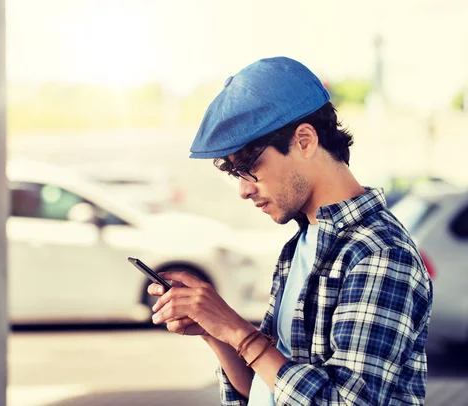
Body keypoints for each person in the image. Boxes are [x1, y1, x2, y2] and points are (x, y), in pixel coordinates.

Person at [147, 57, 433, 405]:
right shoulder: (301, 245)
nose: (243, 189)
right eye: (235, 173)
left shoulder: (378, 253)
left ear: (304, 140)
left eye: (249, 166)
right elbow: (271, 384)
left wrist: (238, 332)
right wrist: (214, 331)